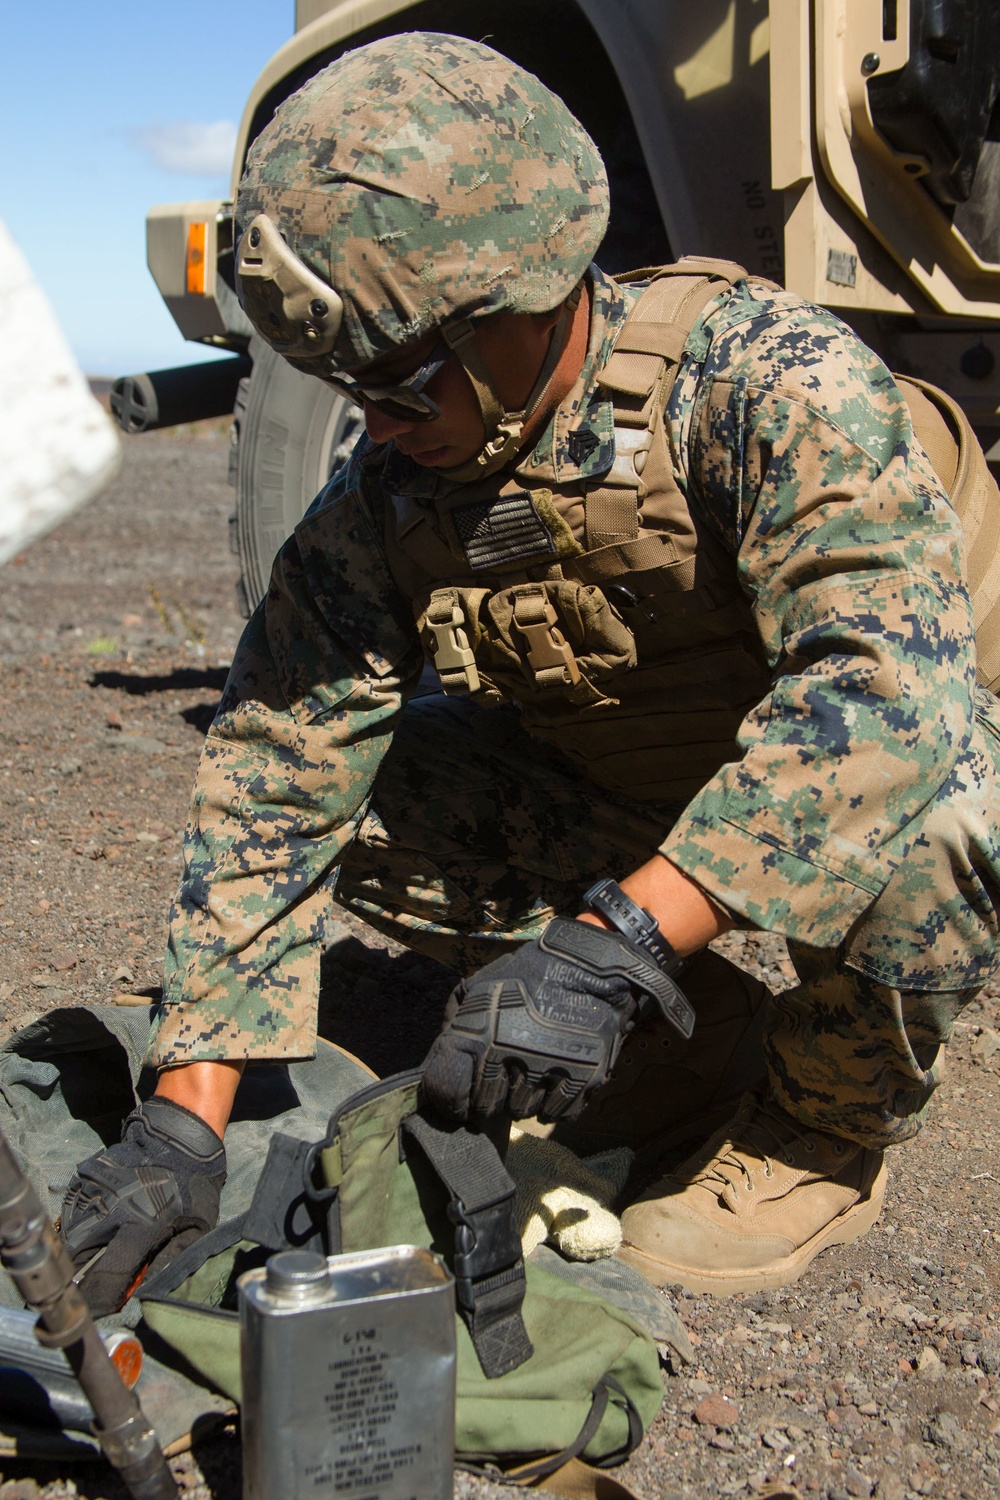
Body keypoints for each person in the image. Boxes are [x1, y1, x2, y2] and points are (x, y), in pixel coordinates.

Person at [60, 32, 1000, 1313]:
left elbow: (886, 690)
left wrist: (610, 946)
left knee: (944, 809)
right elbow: (279, 766)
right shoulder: (393, 495)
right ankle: (692, 1035)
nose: (377, 428)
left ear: (522, 298)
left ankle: (819, 1125)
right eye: (350, 392)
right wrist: (185, 1120)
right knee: (397, 779)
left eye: (400, 385)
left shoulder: (769, 383)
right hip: (665, 780)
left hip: (891, 747)